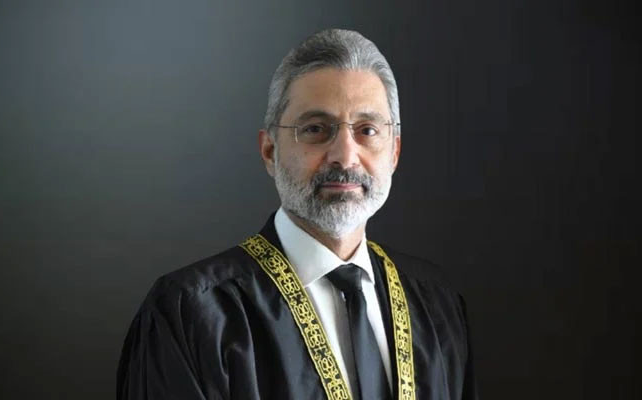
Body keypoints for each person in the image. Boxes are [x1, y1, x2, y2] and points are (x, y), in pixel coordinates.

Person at [117, 28, 477, 400]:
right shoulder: (191, 313)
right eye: (316, 129)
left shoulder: (436, 304)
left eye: (367, 130)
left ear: (394, 153)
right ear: (270, 151)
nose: (345, 156)